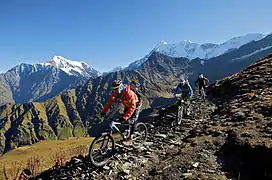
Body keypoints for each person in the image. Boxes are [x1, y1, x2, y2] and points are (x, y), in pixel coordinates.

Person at [101, 79, 142, 146]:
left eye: (116, 89)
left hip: (136, 105)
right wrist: (104, 111)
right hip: (127, 105)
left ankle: (130, 139)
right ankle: (127, 132)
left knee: (132, 121)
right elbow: (109, 103)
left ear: (120, 87)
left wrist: (125, 117)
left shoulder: (129, 93)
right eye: (114, 89)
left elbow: (133, 107)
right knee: (124, 119)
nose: (115, 91)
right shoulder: (116, 93)